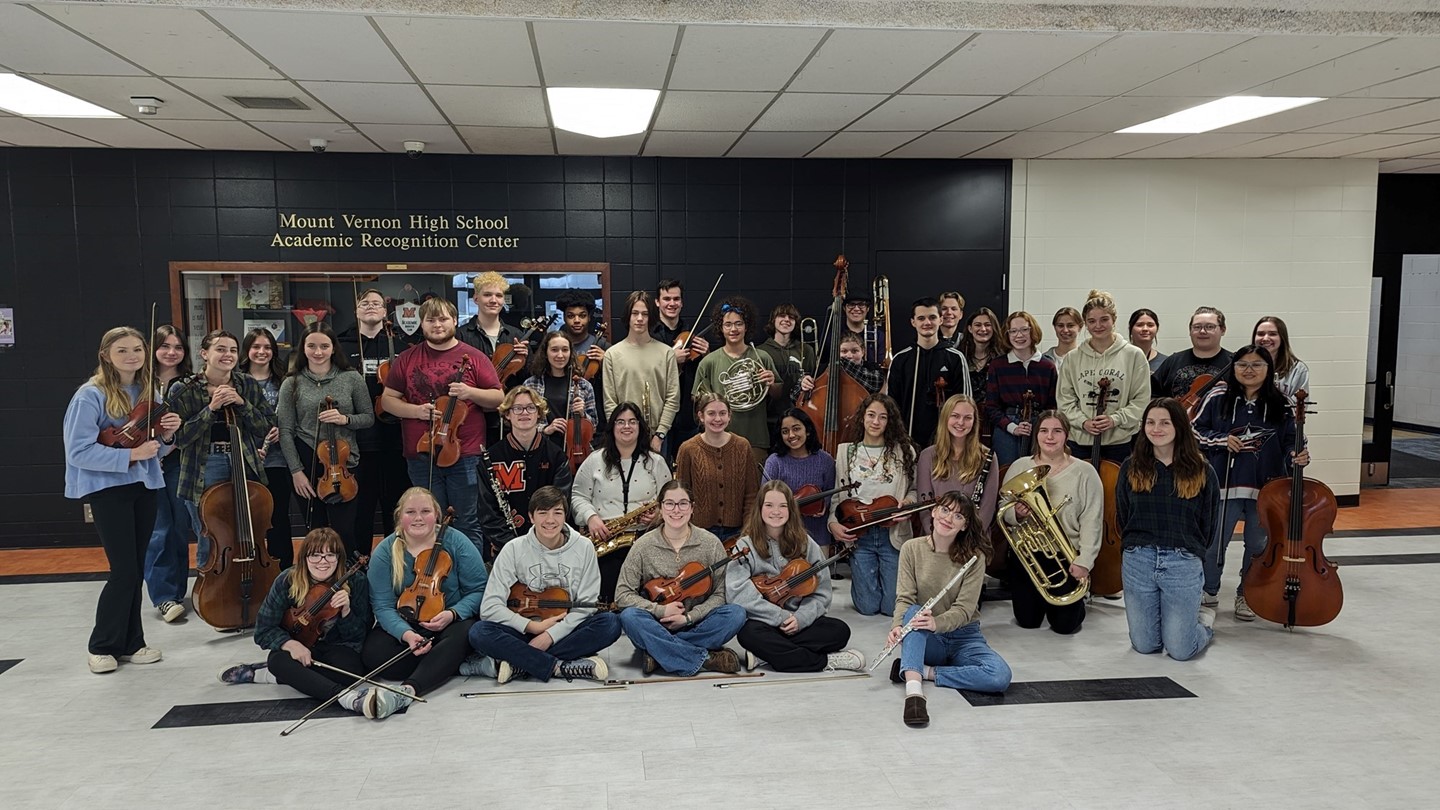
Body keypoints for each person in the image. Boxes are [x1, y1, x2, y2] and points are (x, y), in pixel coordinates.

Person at [64, 326, 181, 673]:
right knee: (124, 571)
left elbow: (160, 447)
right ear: (106, 355)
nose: (132, 356)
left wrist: (169, 433)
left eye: (137, 350)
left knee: (136, 568)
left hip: (143, 487)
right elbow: (78, 451)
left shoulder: (147, 393)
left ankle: (133, 643)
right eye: (122, 351)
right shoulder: (90, 395)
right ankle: (101, 645)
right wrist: (130, 456)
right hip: (107, 489)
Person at [380, 298, 503, 556]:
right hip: (422, 455)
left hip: (465, 454)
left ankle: (471, 581)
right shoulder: (407, 358)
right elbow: (387, 401)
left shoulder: (475, 357)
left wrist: (470, 391)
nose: (437, 325)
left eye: (443, 319)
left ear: (455, 321)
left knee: (467, 522)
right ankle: (432, 577)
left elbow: (498, 399)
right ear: (422, 324)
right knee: (426, 523)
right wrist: (416, 411)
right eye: (431, 320)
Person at [1193, 345, 1308, 621]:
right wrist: (1221, 441)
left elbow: (1293, 441)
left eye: (1257, 365)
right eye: (1242, 364)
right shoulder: (1218, 395)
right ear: (1233, 367)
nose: (1249, 370)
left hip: (1266, 489)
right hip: (1224, 484)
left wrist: (1299, 456)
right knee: (1214, 544)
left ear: (1268, 370)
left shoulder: (1282, 401)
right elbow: (1194, 430)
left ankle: (1247, 594)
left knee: (1258, 547)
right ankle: (1209, 590)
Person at [467, 486, 622, 684]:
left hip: (567, 629)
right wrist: (532, 627)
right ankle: (558, 666)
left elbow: (585, 605)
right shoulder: (513, 549)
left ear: (565, 516)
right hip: (525, 630)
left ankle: (519, 662)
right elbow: (489, 607)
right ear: (531, 517)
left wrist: (549, 636)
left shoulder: (584, 547)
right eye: (542, 513)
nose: (550, 520)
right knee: (479, 632)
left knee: (610, 624)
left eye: (557, 513)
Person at [217, 528, 375, 716]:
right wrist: (290, 644)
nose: (323, 562)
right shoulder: (287, 580)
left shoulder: (356, 581)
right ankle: (346, 698)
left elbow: (361, 634)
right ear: (304, 558)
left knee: (352, 671)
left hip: (336, 647)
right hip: (297, 644)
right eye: (315, 555)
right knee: (277, 661)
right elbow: (263, 630)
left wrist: (346, 612)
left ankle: (268, 676)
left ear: (339, 558)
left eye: (330, 555)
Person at [362, 487, 489, 717]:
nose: (418, 518)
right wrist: (407, 635)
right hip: (406, 623)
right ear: (400, 516)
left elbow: (479, 588)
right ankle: (453, 664)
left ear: (437, 516)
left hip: (449, 623)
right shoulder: (385, 551)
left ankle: (408, 690)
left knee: (468, 633)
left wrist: (453, 613)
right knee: (374, 655)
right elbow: (382, 606)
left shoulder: (456, 542)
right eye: (410, 512)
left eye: (425, 511)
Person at [889, 493, 1012, 728]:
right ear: (934, 512)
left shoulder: (975, 557)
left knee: (999, 676)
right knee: (913, 612)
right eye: (944, 510)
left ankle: (920, 670)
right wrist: (897, 626)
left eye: (958, 516)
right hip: (926, 636)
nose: (948, 518)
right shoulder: (911, 548)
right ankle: (914, 694)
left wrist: (938, 623)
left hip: (964, 636)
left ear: (964, 525)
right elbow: (905, 598)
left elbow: (965, 610)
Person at [1117, 398, 1219, 661]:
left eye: (1165, 422)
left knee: (1181, 651)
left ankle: (1203, 624)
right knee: (1144, 644)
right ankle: (1173, 621)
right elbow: (1123, 514)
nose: (1156, 429)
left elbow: (1208, 524)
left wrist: (1190, 553)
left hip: (1181, 561)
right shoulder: (1131, 467)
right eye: (1150, 422)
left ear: (1179, 427)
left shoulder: (1202, 470)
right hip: (1139, 559)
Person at [726, 481, 864, 673]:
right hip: (764, 622)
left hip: (799, 623)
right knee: (747, 634)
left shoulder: (806, 543)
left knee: (840, 631)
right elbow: (737, 593)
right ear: (759, 509)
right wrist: (780, 616)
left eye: (783, 506)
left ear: (791, 509)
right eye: (769, 505)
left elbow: (822, 592)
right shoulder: (744, 545)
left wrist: (801, 618)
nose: (776, 511)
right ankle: (826, 661)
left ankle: (766, 654)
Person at [615, 480, 748, 676]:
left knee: (736, 614)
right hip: (656, 623)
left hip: (697, 623)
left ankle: (659, 652)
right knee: (629, 617)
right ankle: (706, 659)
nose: (676, 510)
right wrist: (660, 610)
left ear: (692, 508)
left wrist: (688, 618)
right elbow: (622, 594)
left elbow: (721, 594)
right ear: (660, 508)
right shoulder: (643, 546)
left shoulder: (710, 543)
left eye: (683, 503)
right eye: (669, 503)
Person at [167, 329, 275, 568]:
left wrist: (242, 403)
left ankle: (249, 585)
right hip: (205, 465)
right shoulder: (183, 388)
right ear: (204, 353)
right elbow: (181, 438)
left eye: (233, 350)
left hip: (244, 461)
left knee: (248, 530)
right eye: (221, 349)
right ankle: (212, 594)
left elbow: (265, 426)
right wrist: (211, 409)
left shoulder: (246, 384)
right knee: (210, 535)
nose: (228, 355)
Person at [999, 411, 1104, 634]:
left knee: (1065, 626)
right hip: (1028, 555)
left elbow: (1092, 519)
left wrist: (1085, 561)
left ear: (1066, 435)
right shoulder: (1020, 467)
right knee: (1027, 620)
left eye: (1057, 431)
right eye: (1044, 430)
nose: (1050, 437)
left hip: (1066, 556)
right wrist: (1016, 515)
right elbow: (1003, 507)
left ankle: (1077, 603)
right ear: (1037, 435)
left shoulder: (1085, 472)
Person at [278, 322, 375, 560]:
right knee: (316, 530)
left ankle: (349, 582)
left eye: (324, 346)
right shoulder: (292, 383)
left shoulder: (351, 378)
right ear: (303, 348)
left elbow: (368, 418)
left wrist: (345, 419)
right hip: (307, 459)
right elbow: (285, 430)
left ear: (333, 348)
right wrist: (296, 471)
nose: (318, 352)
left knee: (345, 531)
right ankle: (318, 584)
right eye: (311, 346)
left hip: (344, 462)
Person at [337, 288, 419, 553]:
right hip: (358, 442)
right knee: (361, 511)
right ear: (356, 310)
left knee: (395, 508)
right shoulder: (341, 345)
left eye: (376, 303)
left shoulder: (402, 347)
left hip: (395, 439)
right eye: (364, 303)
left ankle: (395, 562)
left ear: (385, 312)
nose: (370, 307)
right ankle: (360, 566)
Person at [571, 401, 671, 602]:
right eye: (621, 422)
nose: (627, 426)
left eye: (632, 422)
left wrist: (659, 515)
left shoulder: (656, 462)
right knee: (608, 598)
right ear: (612, 427)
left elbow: (669, 501)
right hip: (606, 540)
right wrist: (590, 518)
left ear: (640, 427)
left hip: (646, 540)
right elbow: (578, 496)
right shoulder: (594, 460)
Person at [828, 394, 917, 616]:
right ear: (862, 418)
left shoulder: (904, 451)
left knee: (891, 609)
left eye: (882, 417)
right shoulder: (845, 452)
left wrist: (907, 503)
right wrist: (832, 524)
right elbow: (837, 498)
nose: (876, 422)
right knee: (867, 608)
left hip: (892, 534)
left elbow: (914, 490)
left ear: (890, 421)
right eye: (871, 415)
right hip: (860, 534)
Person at [476, 386, 573, 561]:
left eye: (530, 407)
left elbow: (561, 506)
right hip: (507, 550)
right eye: (517, 408)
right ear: (507, 414)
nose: (524, 413)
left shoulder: (556, 456)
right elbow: (487, 513)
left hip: (548, 546)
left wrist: (540, 542)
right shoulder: (491, 458)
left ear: (539, 413)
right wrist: (513, 547)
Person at [1056, 290, 1150, 464]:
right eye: (1091, 321)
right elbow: (1065, 400)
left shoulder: (1133, 355)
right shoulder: (1072, 358)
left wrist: (1115, 419)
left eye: (1104, 319)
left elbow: (1141, 399)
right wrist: (1083, 422)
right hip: (1080, 441)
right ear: (1085, 323)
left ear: (1113, 320)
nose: (1098, 325)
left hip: (1120, 442)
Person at [693, 297, 781, 466]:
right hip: (718, 438)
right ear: (721, 327)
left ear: (746, 326)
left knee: (753, 491)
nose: (733, 329)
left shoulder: (761, 357)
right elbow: (696, 399)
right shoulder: (709, 361)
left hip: (756, 438)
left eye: (739, 323)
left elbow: (778, 394)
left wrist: (771, 383)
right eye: (728, 324)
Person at [143, 325, 193, 623]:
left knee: (178, 528)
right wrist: (151, 453)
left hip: (178, 461)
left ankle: (177, 590)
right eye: (165, 346)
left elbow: (190, 426)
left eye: (178, 347)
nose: (171, 352)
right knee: (157, 530)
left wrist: (166, 451)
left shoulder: (189, 384)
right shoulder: (140, 383)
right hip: (146, 463)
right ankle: (163, 596)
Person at [241, 327, 294, 569]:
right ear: (247, 350)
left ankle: (282, 573)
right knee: (247, 522)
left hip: (276, 461)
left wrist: (281, 429)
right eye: (256, 347)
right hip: (245, 461)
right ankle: (250, 572)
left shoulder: (284, 381)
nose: (261, 352)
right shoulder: (236, 379)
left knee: (277, 519)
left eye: (267, 347)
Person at [886, 297, 971, 447]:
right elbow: (891, 406)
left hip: (945, 441)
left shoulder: (955, 358)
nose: (927, 323)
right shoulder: (900, 360)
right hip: (906, 441)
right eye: (921, 318)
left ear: (940, 320)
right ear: (913, 322)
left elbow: (964, 404)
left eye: (932, 317)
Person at [674, 393, 761, 539]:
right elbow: (682, 496)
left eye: (722, 413)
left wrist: (747, 532)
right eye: (711, 413)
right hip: (699, 534)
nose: (717, 419)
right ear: (701, 416)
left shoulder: (742, 446)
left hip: (737, 533)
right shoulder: (688, 449)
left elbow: (752, 494)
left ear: (729, 416)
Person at [605, 290, 680, 455]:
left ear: (651, 317)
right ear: (628, 316)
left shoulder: (666, 353)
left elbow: (673, 398)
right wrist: (619, 433)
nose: (639, 319)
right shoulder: (612, 354)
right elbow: (609, 401)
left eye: (645, 314)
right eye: (635, 313)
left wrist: (660, 435)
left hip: (658, 437)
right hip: (623, 436)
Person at [916, 395, 1000, 536]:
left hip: (972, 541)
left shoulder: (987, 457)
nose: (961, 422)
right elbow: (925, 508)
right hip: (933, 538)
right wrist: (939, 538)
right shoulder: (927, 456)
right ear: (945, 418)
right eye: (955, 416)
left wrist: (966, 540)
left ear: (974, 421)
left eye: (968, 418)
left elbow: (987, 508)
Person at [985, 311, 1059, 467]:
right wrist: (1012, 427)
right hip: (1007, 426)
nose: (1019, 335)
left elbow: (1052, 406)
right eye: (1013, 331)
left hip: (1039, 425)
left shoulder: (1048, 366)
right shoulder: (998, 365)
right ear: (1007, 335)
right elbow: (992, 407)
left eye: (1025, 329)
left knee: (1039, 472)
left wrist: (1043, 428)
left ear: (1033, 331)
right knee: (1006, 473)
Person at [763, 408, 837, 555]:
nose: (791, 435)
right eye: (785, 431)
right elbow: (765, 498)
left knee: (819, 577)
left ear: (807, 430)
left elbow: (832, 491)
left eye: (796, 429)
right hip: (782, 536)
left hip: (818, 535)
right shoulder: (774, 461)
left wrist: (823, 504)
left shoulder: (825, 460)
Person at [652, 279, 710, 455]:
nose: (672, 303)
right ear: (657, 302)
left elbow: (706, 374)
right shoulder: (649, 335)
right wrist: (669, 359)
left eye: (676, 299)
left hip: (687, 414)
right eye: (667, 299)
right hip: (660, 415)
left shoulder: (691, 334)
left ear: (682, 302)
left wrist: (707, 354)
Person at [523, 330, 598, 453]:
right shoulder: (530, 385)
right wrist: (545, 429)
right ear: (545, 353)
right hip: (542, 449)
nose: (560, 355)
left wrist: (583, 414)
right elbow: (523, 422)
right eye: (554, 350)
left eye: (565, 350)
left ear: (570, 353)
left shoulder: (584, 385)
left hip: (576, 450)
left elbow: (594, 426)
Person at [757, 303, 817, 440]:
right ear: (773, 320)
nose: (786, 320)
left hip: (799, 417)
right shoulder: (761, 351)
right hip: (769, 419)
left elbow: (813, 379)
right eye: (781, 316)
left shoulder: (806, 350)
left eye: (791, 317)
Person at [457, 270, 528, 384]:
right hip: (473, 399)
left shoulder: (517, 335)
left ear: (503, 300)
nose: (494, 300)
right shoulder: (460, 335)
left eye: (499, 295)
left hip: (509, 399)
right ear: (476, 299)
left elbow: (527, 378)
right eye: (487, 295)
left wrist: (524, 360)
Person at [1152, 307, 1232, 401]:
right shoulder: (1173, 361)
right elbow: (1152, 395)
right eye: (1197, 327)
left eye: (1210, 327)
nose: (1202, 331)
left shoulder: (1234, 363)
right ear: (1190, 331)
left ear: (1223, 330)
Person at [557, 290, 609, 435]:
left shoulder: (602, 345)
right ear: (564, 317)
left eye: (582, 315)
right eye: (571, 316)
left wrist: (606, 361)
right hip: (561, 414)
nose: (577, 320)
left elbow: (618, 380)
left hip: (595, 415)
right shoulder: (556, 346)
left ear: (589, 317)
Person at [957, 308, 1006, 437]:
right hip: (964, 417)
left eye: (987, 325)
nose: (983, 329)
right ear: (969, 328)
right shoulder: (959, 356)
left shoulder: (1002, 358)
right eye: (978, 325)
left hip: (995, 419)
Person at [1252, 316, 1310, 403]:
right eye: (1260, 334)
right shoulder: (1242, 366)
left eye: (1272, 334)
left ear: (1282, 338)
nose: (1266, 338)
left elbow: (1298, 407)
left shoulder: (1298, 369)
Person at [1130, 309, 1167, 373]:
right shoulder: (1120, 358)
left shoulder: (1165, 362)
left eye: (1150, 325)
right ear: (1130, 328)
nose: (1145, 329)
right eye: (1139, 325)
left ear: (1157, 329)